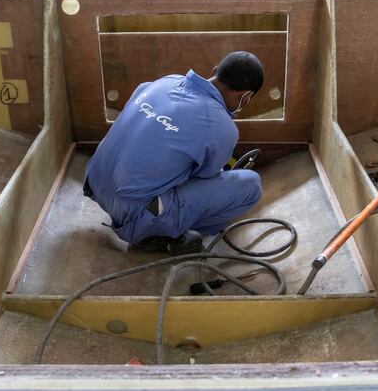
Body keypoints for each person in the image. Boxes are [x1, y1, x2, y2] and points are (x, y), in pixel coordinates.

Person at [83, 51, 264, 255]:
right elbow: (204, 177)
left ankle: (150, 216)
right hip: (134, 215)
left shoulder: (166, 81)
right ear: (246, 96)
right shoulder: (222, 126)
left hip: (94, 183)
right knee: (251, 185)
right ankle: (158, 234)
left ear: (215, 71)